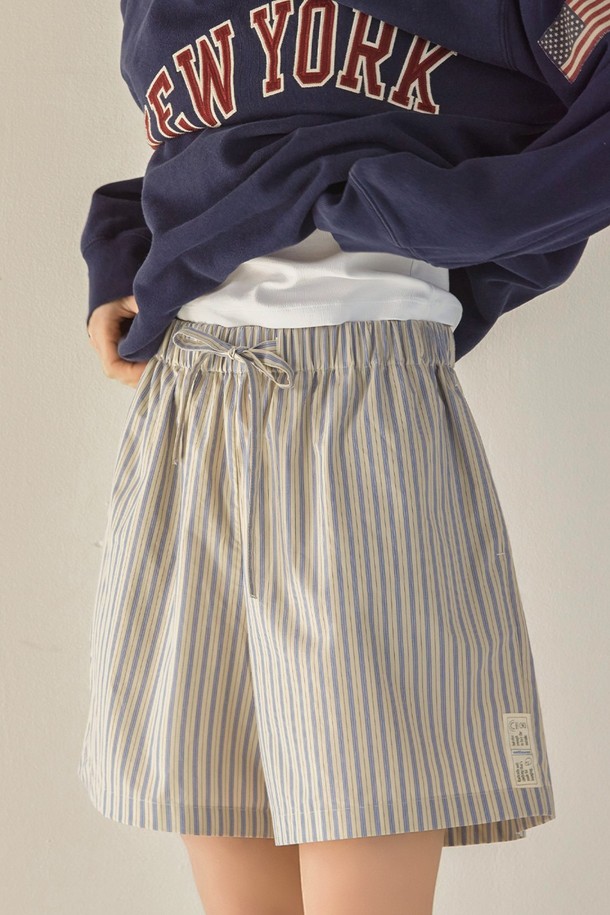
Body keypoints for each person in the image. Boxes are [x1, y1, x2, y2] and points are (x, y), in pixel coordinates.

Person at [79, 2, 610, 913]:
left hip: (363, 403)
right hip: (190, 404)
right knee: (220, 802)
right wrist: (122, 258)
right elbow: (218, 154)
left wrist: (438, 213)